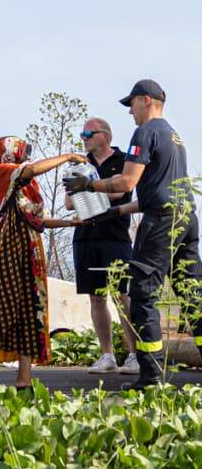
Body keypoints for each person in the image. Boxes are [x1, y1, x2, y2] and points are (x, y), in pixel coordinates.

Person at [64, 79, 202, 388]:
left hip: (162, 221)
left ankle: (151, 375)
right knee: (191, 292)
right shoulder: (174, 136)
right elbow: (153, 194)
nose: (131, 113)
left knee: (142, 294)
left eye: (132, 106)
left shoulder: (146, 132)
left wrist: (88, 186)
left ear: (145, 100)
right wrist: (114, 212)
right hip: (186, 217)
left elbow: (125, 183)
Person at [0, 136, 83, 387]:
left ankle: (24, 377)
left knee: (30, 312)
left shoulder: (26, 187)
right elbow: (31, 169)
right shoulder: (2, 172)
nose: (27, 158)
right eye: (22, 153)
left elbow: (38, 220)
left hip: (29, 255)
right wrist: (67, 156)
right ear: (9, 155)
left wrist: (70, 222)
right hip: (5, 254)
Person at [64, 116, 138, 374]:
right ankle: (107, 355)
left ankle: (134, 354)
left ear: (104, 135)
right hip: (85, 237)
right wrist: (95, 192)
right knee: (96, 297)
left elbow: (120, 192)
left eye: (88, 135)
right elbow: (70, 203)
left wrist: (89, 190)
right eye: (82, 136)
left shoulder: (124, 161)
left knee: (124, 296)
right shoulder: (80, 165)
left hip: (115, 237)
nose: (83, 140)